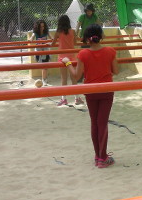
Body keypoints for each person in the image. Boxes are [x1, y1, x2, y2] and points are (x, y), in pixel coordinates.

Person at [63, 24, 119, 168]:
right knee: (102, 123)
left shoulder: (83, 54)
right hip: (107, 91)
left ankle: (98, 156)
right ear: (100, 36)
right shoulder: (110, 51)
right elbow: (116, 71)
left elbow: (76, 76)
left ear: (87, 39)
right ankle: (103, 157)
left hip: (91, 92)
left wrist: (67, 62)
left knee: (94, 123)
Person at [51, 15, 83, 106]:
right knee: (74, 78)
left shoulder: (58, 32)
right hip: (71, 56)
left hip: (62, 57)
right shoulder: (72, 31)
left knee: (63, 79)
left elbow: (52, 44)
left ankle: (64, 99)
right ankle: (76, 98)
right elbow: (75, 43)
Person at [29, 19, 52, 85]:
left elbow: (52, 38)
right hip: (39, 50)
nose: (42, 28)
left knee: (45, 66)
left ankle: (44, 79)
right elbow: (32, 38)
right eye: (41, 27)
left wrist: (52, 40)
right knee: (44, 66)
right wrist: (30, 39)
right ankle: (44, 79)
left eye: (43, 26)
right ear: (38, 27)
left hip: (45, 50)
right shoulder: (35, 32)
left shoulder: (46, 32)